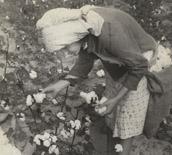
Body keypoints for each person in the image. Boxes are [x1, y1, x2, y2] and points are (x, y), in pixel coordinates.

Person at [36, 5, 159, 155]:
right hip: (117, 60)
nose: (64, 52)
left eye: (64, 47)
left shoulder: (110, 33)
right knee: (111, 113)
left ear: (73, 35)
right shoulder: (87, 30)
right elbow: (85, 59)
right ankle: (111, 151)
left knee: (128, 116)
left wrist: (116, 99)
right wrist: (59, 85)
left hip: (138, 59)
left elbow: (139, 66)